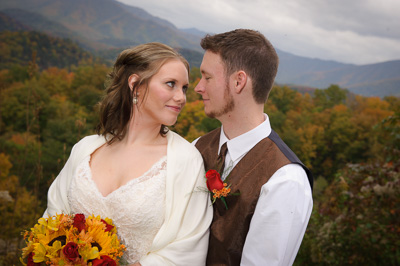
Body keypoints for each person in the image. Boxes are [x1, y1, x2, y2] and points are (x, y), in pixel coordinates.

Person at [44, 42, 213, 266]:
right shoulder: (85, 149)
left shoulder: (185, 160)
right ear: (135, 85)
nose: (181, 97)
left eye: (184, 88)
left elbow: (188, 247)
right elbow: (51, 222)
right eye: (170, 84)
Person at [193, 29, 313, 265]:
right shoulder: (197, 146)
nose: (198, 87)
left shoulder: (285, 180)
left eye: (207, 77)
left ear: (238, 82)